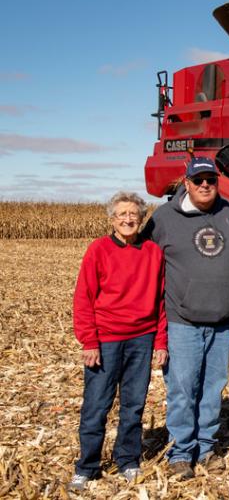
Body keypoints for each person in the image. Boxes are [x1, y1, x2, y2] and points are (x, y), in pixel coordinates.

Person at [142, 157, 229, 480]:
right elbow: (142, 260)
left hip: (222, 321)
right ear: (185, 183)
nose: (204, 185)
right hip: (181, 320)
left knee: (213, 389)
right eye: (198, 180)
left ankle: (207, 446)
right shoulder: (163, 218)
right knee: (183, 389)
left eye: (210, 180)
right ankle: (181, 451)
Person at [69, 192, 168, 491]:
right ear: (112, 219)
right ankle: (87, 466)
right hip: (106, 340)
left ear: (141, 219)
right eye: (121, 214)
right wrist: (89, 341)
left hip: (142, 338)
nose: (127, 219)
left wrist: (161, 341)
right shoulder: (98, 250)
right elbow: (83, 298)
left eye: (133, 215)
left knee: (133, 406)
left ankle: (127, 460)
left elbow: (162, 301)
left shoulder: (153, 252)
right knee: (96, 406)